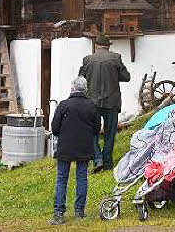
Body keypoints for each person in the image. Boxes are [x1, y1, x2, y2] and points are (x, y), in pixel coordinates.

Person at [49, 76, 100, 225]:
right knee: (82, 179)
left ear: (72, 89)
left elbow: (54, 128)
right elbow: (96, 129)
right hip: (84, 147)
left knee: (61, 179)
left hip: (65, 147)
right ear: (86, 89)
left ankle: (58, 214)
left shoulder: (64, 105)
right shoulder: (91, 105)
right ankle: (79, 211)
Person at [78, 35, 130, 173]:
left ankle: (97, 159)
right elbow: (126, 77)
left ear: (96, 45)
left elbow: (80, 80)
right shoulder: (116, 58)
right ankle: (107, 163)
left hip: (92, 102)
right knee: (110, 133)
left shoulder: (87, 60)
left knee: (91, 131)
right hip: (111, 101)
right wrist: (114, 74)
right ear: (109, 46)